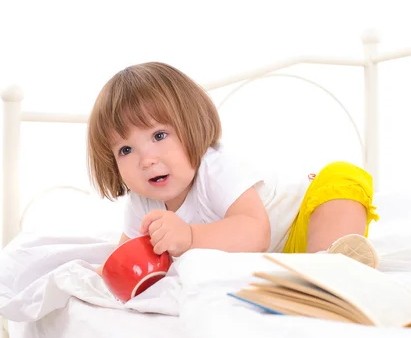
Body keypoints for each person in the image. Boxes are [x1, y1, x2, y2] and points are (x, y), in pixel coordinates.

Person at [86, 62, 380, 273]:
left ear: (193, 127)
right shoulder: (142, 199)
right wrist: (108, 274)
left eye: (159, 136)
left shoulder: (215, 168)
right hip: (278, 260)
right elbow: (127, 253)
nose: (146, 160)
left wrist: (189, 237)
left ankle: (333, 269)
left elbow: (256, 233)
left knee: (342, 179)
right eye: (125, 150)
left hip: (302, 221)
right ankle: (312, 275)